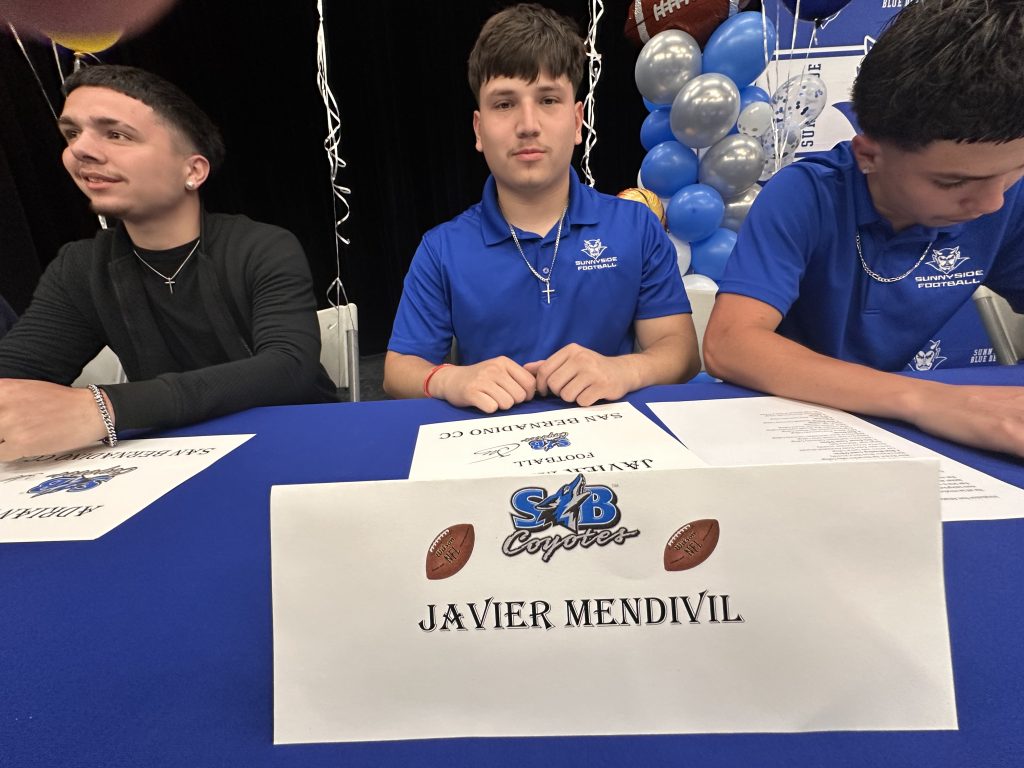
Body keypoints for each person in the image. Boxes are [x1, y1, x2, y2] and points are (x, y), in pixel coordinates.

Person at [703, 0, 1024, 457]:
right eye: (953, 183)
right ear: (869, 156)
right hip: (791, 427)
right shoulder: (806, 195)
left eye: (1013, 173)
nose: (992, 203)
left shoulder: (1008, 199)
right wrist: (929, 400)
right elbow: (731, 345)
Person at [0, 65, 337, 461]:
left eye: (116, 134)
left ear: (192, 170)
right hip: (173, 455)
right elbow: (14, 375)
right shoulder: (80, 268)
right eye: (72, 133)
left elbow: (287, 368)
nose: (80, 150)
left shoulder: (261, 246)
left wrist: (106, 407)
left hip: (296, 440)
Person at [383, 2, 699, 413]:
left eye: (548, 100)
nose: (528, 125)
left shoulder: (636, 227)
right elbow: (397, 371)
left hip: (614, 435)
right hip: (491, 437)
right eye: (504, 104)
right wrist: (451, 378)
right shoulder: (441, 249)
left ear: (578, 121)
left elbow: (681, 351)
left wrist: (624, 370)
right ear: (478, 130)